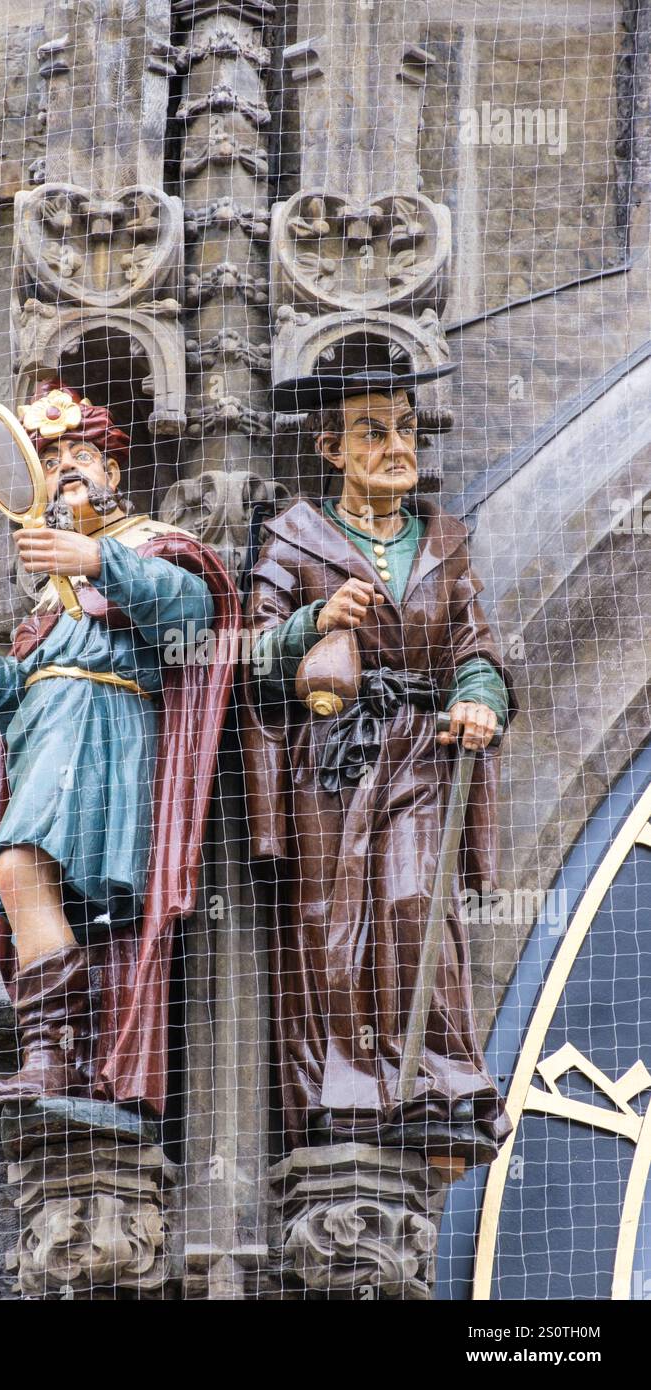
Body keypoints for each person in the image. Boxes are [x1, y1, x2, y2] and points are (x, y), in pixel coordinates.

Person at [0, 382, 239, 1115]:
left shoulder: (152, 545)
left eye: (79, 454)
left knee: (20, 866)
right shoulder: (48, 591)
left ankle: (58, 1050)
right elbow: (24, 690)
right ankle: (58, 1053)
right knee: (22, 874)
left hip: (107, 734)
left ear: (113, 473)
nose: (63, 467)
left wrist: (96, 558)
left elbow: (194, 618)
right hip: (46, 736)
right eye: (49, 457)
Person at [243, 359, 515, 1164]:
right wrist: (313, 622)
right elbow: (250, 656)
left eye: (404, 428)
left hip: (422, 753)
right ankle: (348, 1089)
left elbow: (478, 649)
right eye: (373, 431)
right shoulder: (296, 539)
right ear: (331, 449)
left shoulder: (445, 545)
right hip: (334, 755)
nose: (398, 446)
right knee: (336, 921)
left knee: (413, 896)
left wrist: (478, 700)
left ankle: (434, 1080)